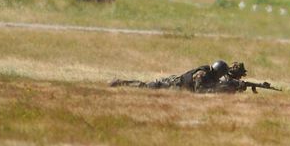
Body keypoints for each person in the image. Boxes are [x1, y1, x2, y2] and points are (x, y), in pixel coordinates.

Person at [110, 60, 279, 93]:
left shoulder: (211, 75)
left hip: (177, 86)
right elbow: (200, 91)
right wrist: (225, 88)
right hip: (172, 85)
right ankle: (121, 83)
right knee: (146, 87)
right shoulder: (202, 74)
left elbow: (217, 86)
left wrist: (237, 86)